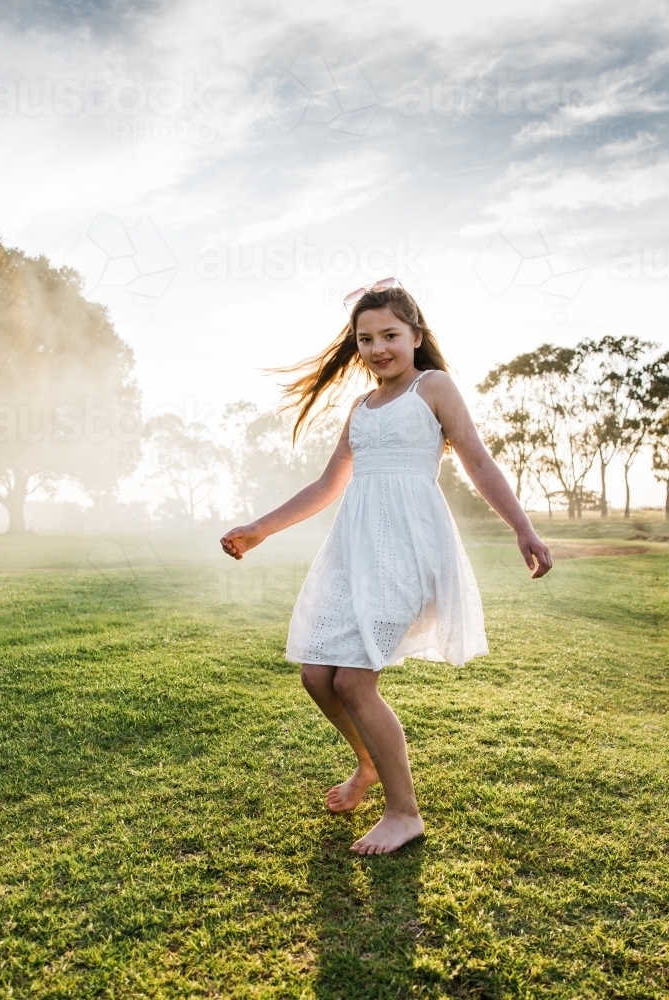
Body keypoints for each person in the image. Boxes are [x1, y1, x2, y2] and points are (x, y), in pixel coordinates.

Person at [220, 278, 552, 856]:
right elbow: (328, 485)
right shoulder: (361, 409)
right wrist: (260, 529)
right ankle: (368, 764)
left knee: (354, 679)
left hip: (412, 548)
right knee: (316, 675)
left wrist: (522, 526)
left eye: (390, 335)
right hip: (356, 553)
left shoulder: (434, 387)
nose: (378, 348)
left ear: (415, 336)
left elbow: (477, 458)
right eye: (365, 338)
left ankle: (404, 813)